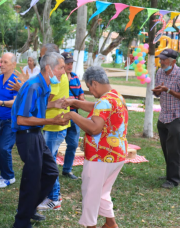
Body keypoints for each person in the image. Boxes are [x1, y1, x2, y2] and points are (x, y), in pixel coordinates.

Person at [64, 66, 128, 228]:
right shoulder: (115, 96)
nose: (91, 92)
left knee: (90, 194)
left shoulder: (104, 101)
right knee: (102, 192)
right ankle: (110, 224)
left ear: (94, 83)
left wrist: (72, 114)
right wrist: (74, 102)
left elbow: (94, 128)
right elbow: (97, 107)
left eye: (89, 88)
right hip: (117, 155)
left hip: (100, 157)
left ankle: (90, 225)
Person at [11, 52, 69, 228]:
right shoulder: (34, 86)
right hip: (27, 135)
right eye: (61, 68)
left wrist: (55, 104)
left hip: (36, 134)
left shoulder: (44, 85)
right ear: (49, 68)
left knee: (51, 172)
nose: (63, 72)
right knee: (32, 179)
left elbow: (36, 106)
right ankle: (21, 221)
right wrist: (52, 120)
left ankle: (29, 208)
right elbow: (22, 119)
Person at [152, 49, 180, 189]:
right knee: (166, 148)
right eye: (160, 59)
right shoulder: (160, 72)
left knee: (174, 150)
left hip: (177, 116)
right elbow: (158, 92)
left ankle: (173, 180)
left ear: (173, 61)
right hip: (163, 116)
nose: (161, 62)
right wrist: (157, 91)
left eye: (164, 59)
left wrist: (167, 90)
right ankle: (170, 173)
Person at [37, 53, 70, 211]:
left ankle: (54, 198)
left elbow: (46, 103)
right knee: (49, 162)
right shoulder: (54, 77)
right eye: (62, 67)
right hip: (52, 126)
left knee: (49, 164)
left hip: (54, 127)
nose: (64, 71)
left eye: (63, 67)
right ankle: (53, 193)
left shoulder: (55, 78)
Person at [0, 53, 19, 188]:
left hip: (11, 119)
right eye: (1, 62)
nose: (2, 65)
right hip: (0, 118)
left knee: (4, 148)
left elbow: (16, 102)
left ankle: (9, 177)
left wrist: (0, 103)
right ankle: (3, 174)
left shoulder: (16, 81)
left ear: (13, 64)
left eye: (6, 62)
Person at [62, 52, 84, 179]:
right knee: (55, 142)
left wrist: (80, 101)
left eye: (71, 63)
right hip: (60, 115)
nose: (70, 66)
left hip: (74, 114)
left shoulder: (75, 77)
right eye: (67, 63)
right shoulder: (57, 78)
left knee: (73, 143)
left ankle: (67, 170)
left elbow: (81, 94)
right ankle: (50, 169)